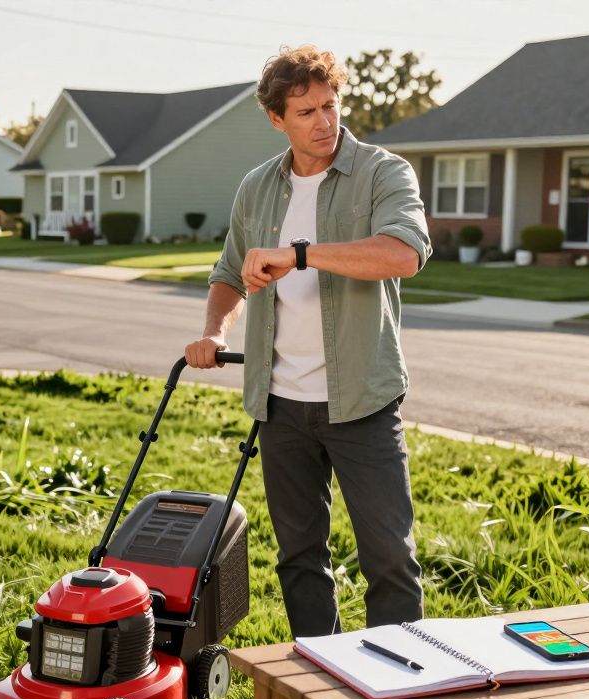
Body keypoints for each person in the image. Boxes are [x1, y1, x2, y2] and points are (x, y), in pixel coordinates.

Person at [183, 45, 432, 638]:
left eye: (330, 105)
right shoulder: (257, 187)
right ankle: (319, 672)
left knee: (389, 558)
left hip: (363, 401)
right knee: (299, 559)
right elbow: (229, 273)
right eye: (305, 112)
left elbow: (403, 254)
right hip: (280, 406)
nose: (324, 122)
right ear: (277, 119)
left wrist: (300, 255)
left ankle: (397, 678)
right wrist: (213, 332)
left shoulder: (382, 172)